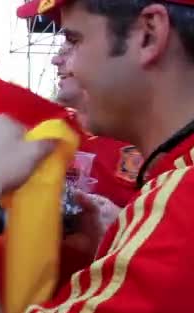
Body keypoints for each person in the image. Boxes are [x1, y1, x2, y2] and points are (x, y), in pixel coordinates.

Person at [0, 0, 194, 313]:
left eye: (75, 39)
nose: (59, 58)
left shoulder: (182, 204)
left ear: (148, 34)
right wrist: (112, 250)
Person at [51, 42, 141, 208]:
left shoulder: (142, 137)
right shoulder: (46, 132)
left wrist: (118, 220)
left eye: (67, 52)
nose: (55, 60)